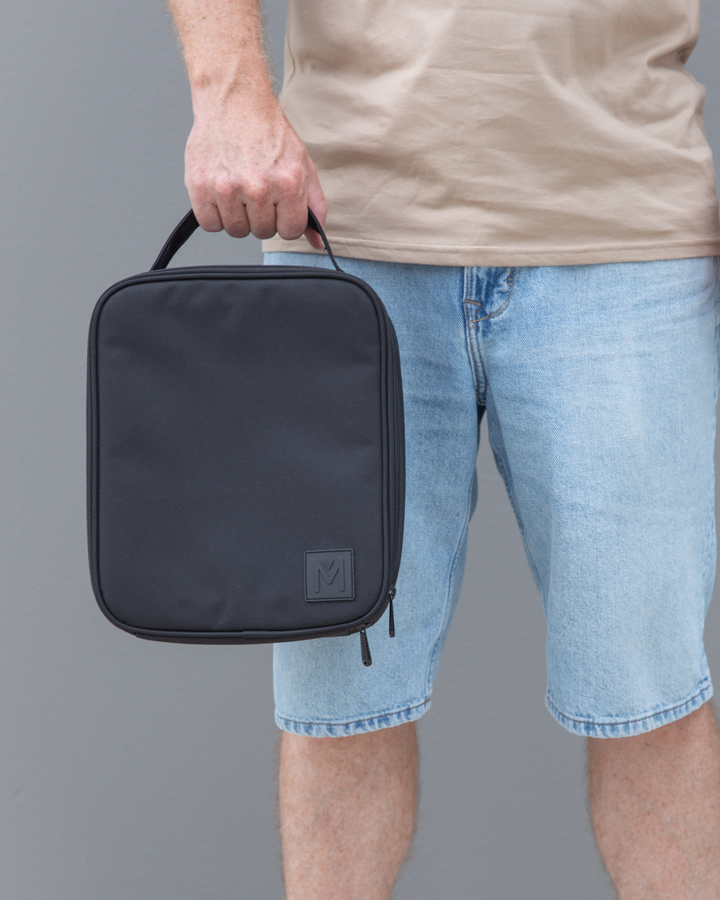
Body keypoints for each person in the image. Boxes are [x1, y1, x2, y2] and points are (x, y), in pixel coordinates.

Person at [166, 0, 720, 896]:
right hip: (343, 226)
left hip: (625, 224)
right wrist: (227, 95)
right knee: (337, 695)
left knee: (651, 690)